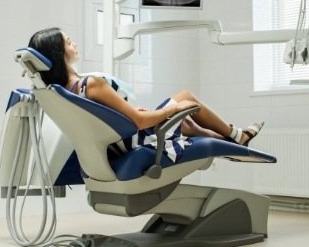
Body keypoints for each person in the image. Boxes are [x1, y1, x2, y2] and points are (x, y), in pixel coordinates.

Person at [28, 27, 264, 162]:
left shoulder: (66, 90)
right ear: (59, 53)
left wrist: (134, 113)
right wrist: (171, 109)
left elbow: (104, 117)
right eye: (69, 42)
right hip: (136, 140)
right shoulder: (92, 84)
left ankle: (231, 143)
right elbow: (139, 122)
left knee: (188, 124)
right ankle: (237, 136)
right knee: (185, 98)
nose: (75, 44)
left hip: (118, 142)